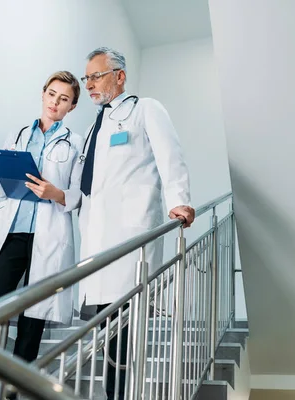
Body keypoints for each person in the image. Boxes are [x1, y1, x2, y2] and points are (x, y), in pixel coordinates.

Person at [75, 47, 195, 400]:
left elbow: (170, 157)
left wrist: (180, 202)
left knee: (123, 329)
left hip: (129, 234)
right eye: (88, 78)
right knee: (102, 328)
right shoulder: (91, 130)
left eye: (97, 76)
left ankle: (118, 395)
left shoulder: (145, 109)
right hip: (95, 237)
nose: (91, 85)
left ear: (120, 76)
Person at [0, 71, 84, 394]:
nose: (55, 102)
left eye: (63, 99)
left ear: (72, 107)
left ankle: (13, 390)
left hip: (47, 236)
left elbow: (79, 194)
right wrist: (9, 180)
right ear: (43, 94)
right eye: (52, 94)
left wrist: (55, 193)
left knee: (33, 317)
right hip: (13, 231)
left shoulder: (76, 143)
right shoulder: (20, 134)